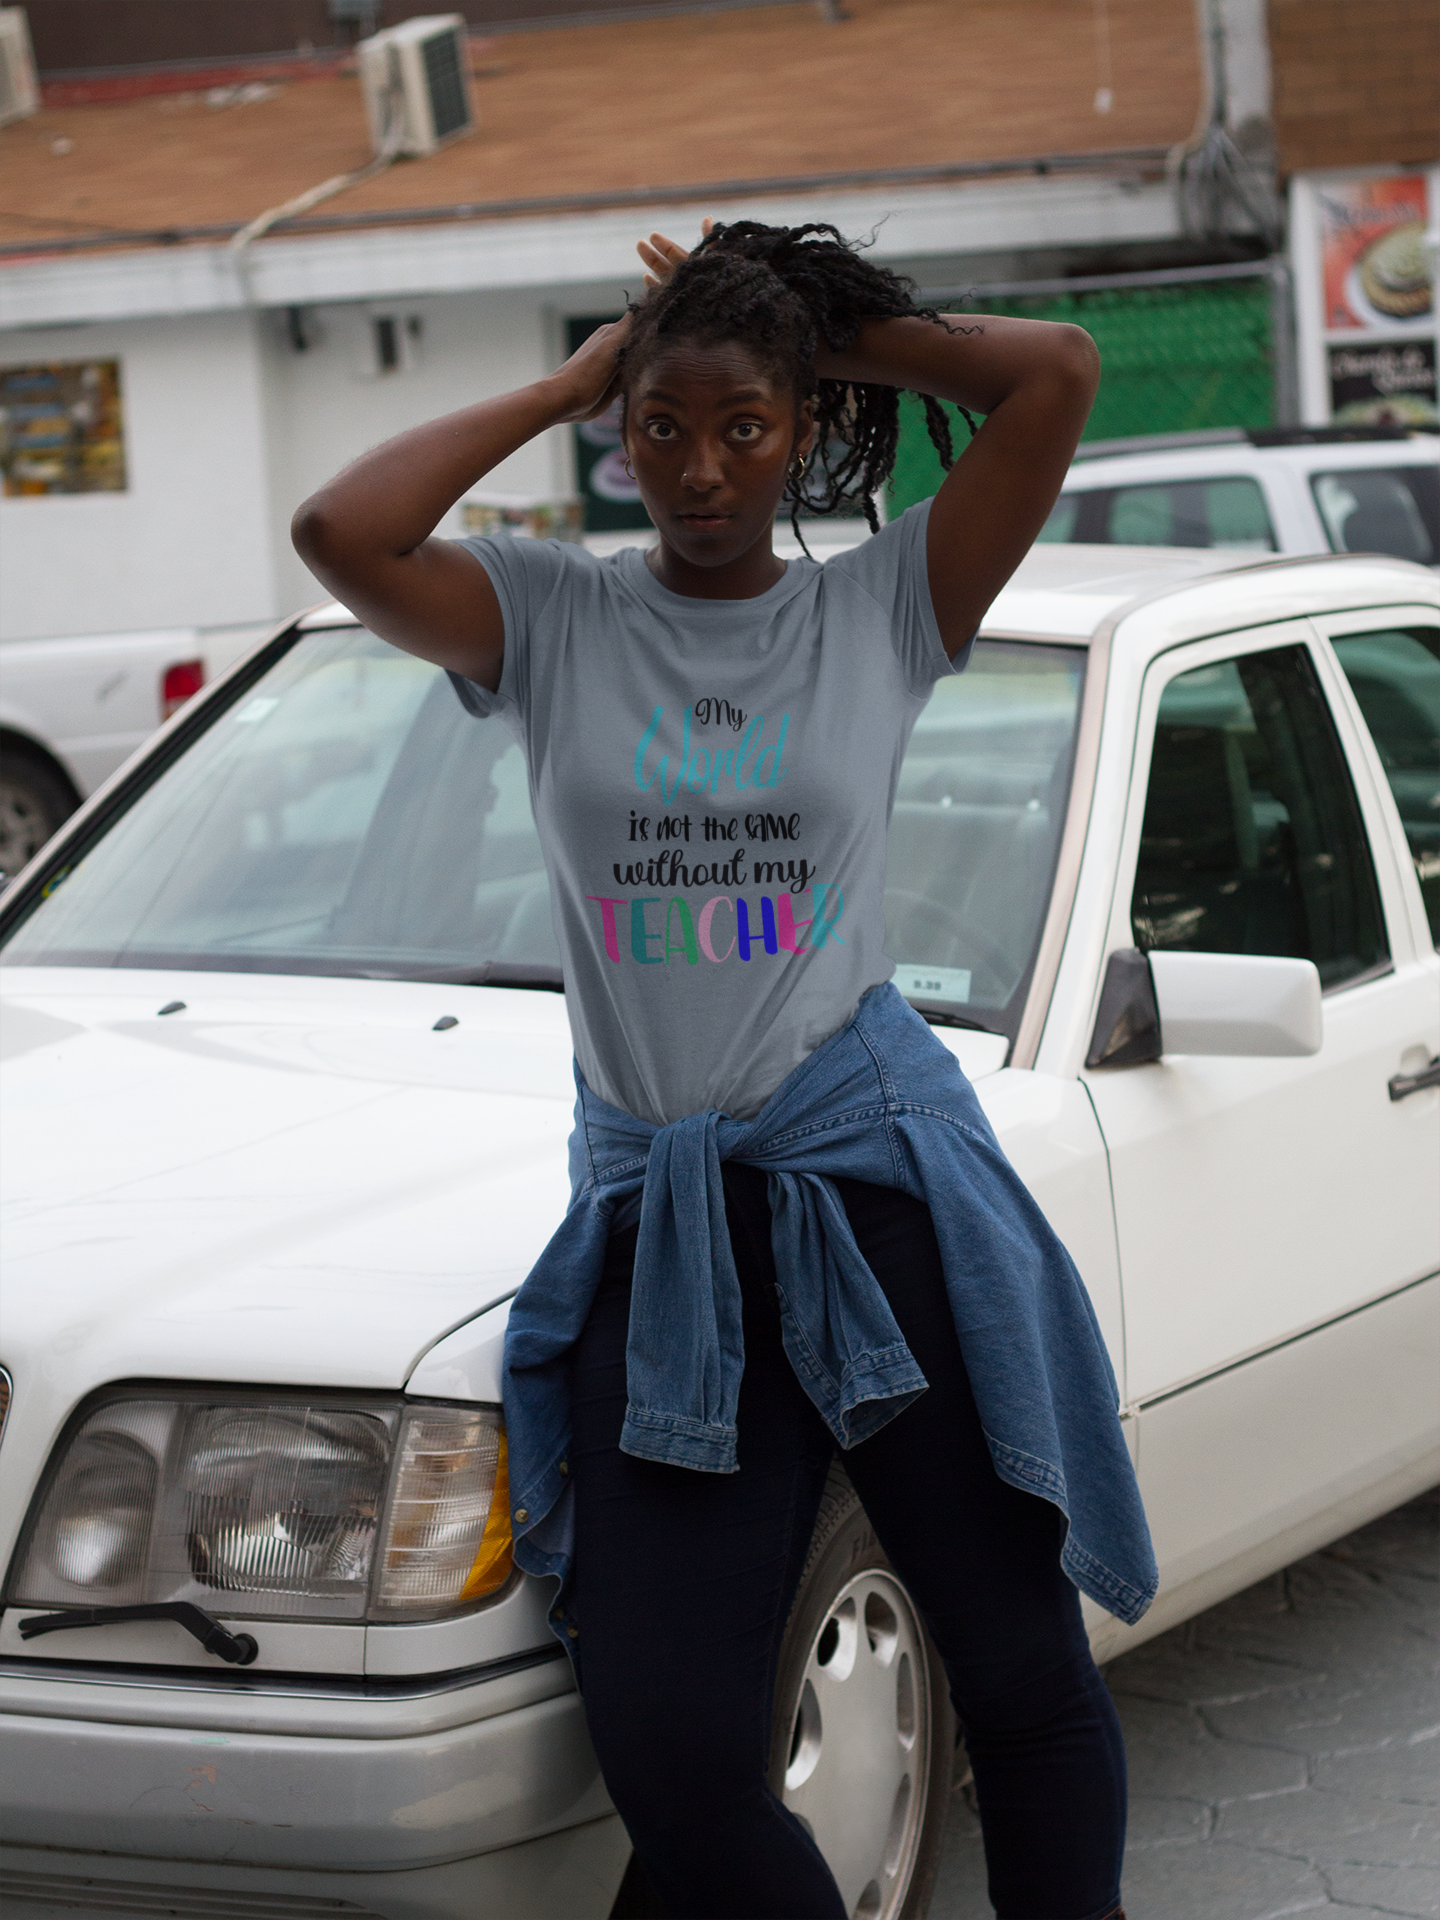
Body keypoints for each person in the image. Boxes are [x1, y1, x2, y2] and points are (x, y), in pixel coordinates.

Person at [293, 218, 1153, 1920]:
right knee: (676, 1748)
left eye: (744, 427)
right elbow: (341, 532)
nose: (699, 470)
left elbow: (1054, 374)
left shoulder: (882, 607)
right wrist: (572, 379)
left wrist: (809, 323)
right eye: (664, 428)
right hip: (665, 1232)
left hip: (873, 1195)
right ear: (621, 434)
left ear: (800, 428)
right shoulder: (549, 614)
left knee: (1021, 1678)